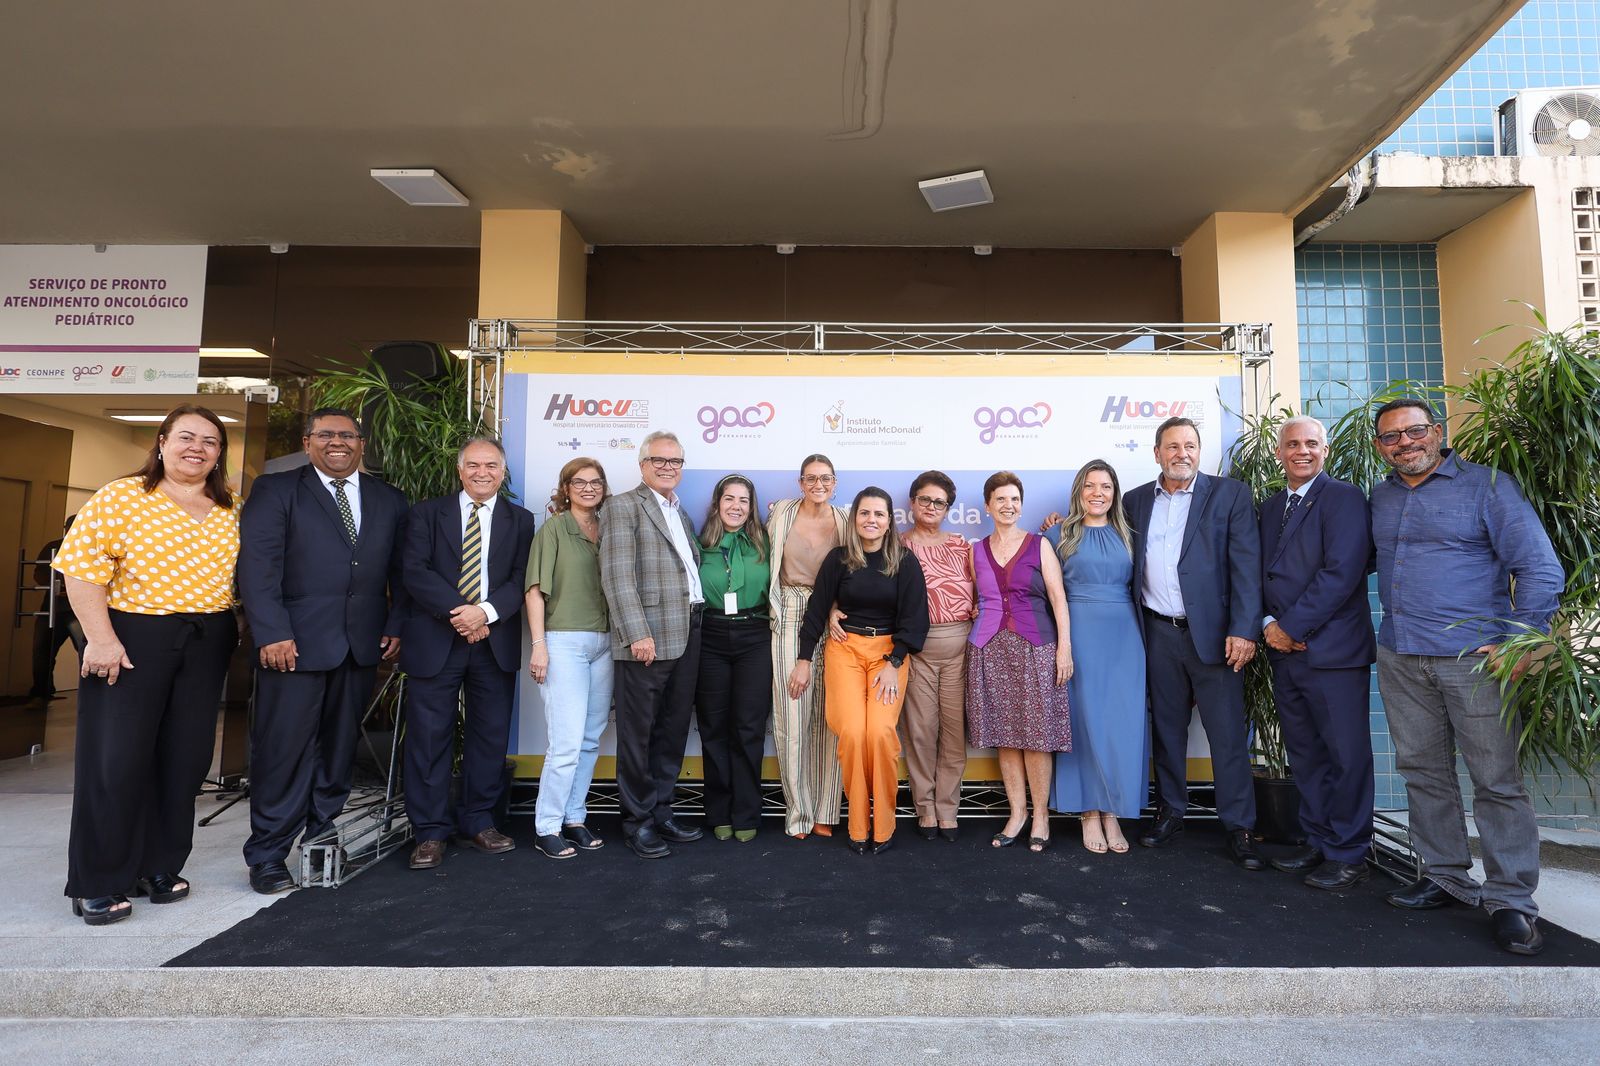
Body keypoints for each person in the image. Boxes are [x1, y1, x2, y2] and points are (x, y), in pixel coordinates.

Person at [1370, 399, 1563, 956]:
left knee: (1496, 781)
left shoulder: (1488, 488)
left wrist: (1522, 638)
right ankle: (1446, 875)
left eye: (1414, 432)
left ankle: (1511, 902)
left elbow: (1539, 565)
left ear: (1438, 432)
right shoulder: (1380, 496)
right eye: (1391, 438)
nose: (1404, 443)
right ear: (1380, 446)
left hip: (1477, 661)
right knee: (1423, 772)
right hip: (1402, 656)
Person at [52, 404, 242, 925]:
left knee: (184, 760)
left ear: (219, 453)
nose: (196, 448)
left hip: (207, 639)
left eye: (209, 441)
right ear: (161, 441)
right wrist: (101, 639)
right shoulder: (123, 496)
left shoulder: (230, 505)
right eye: (186, 437)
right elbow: (81, 570)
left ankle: (157, 867)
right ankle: (96, 879)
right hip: (133, 638)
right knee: (116, 761)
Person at [238, 407, 409, 894]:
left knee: (338, 748)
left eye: (348, 435)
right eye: (327, 435)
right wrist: (271, 632)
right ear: (308, 441)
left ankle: (321, 831)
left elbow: (399, 572)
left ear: (362, 442)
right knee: (282, 750)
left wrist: (395, 623)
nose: (338, 443)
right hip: (291, 644)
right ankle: (268, 853)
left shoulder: (388, 498)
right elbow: (258, 566)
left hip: (360, 644)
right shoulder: (277, 490)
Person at [1125, 416, 1263, 869]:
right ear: (1157, 452)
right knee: (1166, 731)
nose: (1181, 452)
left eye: (1189, 445)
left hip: (1216, 636)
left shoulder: (1230, 495)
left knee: (1227, 735)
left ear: (1199, 451)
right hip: (1157, 633)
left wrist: (1244, 629)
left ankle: (1239, 825)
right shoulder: (1134, 501)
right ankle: (1170, 813)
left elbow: (1246, 567)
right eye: (1171, 446)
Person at [399, 437, 536, 870]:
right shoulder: (425, 514)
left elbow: (521, 578)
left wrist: (485, 614)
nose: (482, 472)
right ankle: (430, 832)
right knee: (428, 738)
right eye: (474, 465)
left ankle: (479, 821)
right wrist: (461, 614)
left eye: (491, 465)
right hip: (436, 639)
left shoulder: (521, 519)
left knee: (490, 738)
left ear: (503, 471)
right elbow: (414, 571)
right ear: (460, 470)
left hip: (493, 642)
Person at [1258, 416, 1376, 892]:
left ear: (1325, 450)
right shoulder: (1270, 507)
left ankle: (1350, 853)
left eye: (1310, 443)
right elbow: (1259, 574)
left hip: (1333, 653)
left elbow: (1341, 573)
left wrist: (1290, 626)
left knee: (1346, 755)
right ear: (1279, 452)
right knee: (1306, 753)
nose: (1300, 451)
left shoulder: (1345, 498)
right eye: (1291, 444)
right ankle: (1320, 839)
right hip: (1286, 653)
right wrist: (1269, 626)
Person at [790, 487, 928, 854]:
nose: (871, 520)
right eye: (864, 513)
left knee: (880, 734)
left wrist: (894, 662)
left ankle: (883, 824)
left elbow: (916, 620)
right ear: (854, 519)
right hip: (845, 651)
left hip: (888, 656)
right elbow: (817, 610)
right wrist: (804, 659)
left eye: (879, 514)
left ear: (889, 521)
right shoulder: (839, 559)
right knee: (852, 733)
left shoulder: (905, 561)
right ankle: (857, 824)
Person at [599, 431, 706, 859]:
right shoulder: (623, 506)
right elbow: (617, 576)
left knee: (672, 729)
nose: (668, 467)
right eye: (659, 460)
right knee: (638, 734)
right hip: (647, 637)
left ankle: (661, 810)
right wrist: (636, 632)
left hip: (689, 631)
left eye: (675, 461)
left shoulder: (680, 514)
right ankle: (636, 820)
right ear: (642, 464)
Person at [1047, 460, 1149, 854]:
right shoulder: (1057, 534)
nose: (1098, 493)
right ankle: (1089, 811)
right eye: (1090, 486)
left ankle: (1113, 811)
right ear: (1079, 490)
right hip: (1079, 636)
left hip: (1125, 637)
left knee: (1121, 725)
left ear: (1114, 492)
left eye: (1105, 486)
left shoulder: (1129, 533)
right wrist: (1063, 646)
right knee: (1084, 723)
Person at [966, 472, 1072, 853]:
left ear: (1021, 505)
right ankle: (1017, 813)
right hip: (989, 649)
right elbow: (972, 598)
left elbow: (1058, 598)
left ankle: (1041, 815)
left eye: (1014, 499)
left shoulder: (1039, 545)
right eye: (1000, 500)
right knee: (1004, 736)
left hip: (1036, 648)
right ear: (988, 506)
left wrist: (1065, 648)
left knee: (1037, 737)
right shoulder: (975, 550)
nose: (1008, 506)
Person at [525, 457, 613, 860]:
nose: (588, 488)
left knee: (591, 738)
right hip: (563, 642)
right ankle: (547, 825)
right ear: (565, 488)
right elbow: (534, 591)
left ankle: (574, 817)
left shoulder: (609, 528)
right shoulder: (554, 529)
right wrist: (539, 645)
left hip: (605, 642)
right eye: (579, 482)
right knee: (565, 742)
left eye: (596, 482)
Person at [766, 454, 849, 839]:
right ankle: (798, 813)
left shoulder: (846, 520)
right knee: (792, 713)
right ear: (800, 483)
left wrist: (836, 608)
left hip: (833, 613)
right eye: (811, 478)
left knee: (830, 717)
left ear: (835, 483)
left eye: (826, 478)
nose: (819, 484)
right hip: (789, 610)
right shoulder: (781, 513)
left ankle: (825, 812)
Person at [695, 474, 773, 843]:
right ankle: (718, 811)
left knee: (748, 728)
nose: (736, 506)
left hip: (755, 635)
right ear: (717, 503)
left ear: (751, 506)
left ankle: (746, 813)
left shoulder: (766, 543)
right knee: (713, 729)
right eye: (729, 499)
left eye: (744, 500)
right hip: (710, 635)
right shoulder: (699, 543)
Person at [898, 471, 974, 841]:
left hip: (959, 648)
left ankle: (949, 808)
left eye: (939, 502)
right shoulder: (896, 547)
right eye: (924, 500)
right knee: (921, 732)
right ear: (912, 503)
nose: (931, 507)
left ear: (948, 509)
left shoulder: (962, 546)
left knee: (953, 734)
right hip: (917, 651)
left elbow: (984, 592)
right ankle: (925, 808)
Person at [30, 518, 77, 700]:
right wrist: (59, 588)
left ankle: (95, 697)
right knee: (41, 652)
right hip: (51, 609)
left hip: (78, 611)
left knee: (87, 652)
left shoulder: (91, 548)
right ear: (65, 529)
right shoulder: (54, 547)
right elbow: (39, 574)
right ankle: (41, 693)